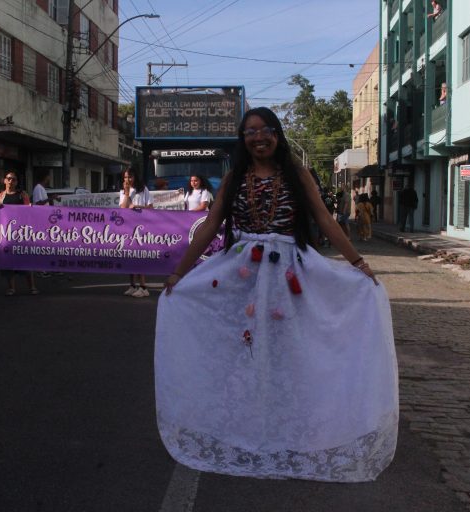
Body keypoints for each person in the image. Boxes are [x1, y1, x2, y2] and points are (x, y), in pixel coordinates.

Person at [156, 107, 398, 482]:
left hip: (289, 275)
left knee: (289, 351)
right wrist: (179, 272)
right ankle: (249, 427)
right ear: (243, 139)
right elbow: (210, 225)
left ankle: (290, 429)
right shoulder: (236, 176)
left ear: (277, 134)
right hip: (241, 274)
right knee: (244, 349)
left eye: (265, 129)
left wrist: (358, 263)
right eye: (250, 132)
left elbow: (323, 218)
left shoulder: (296, 173)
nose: (258, 137)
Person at [0, 171, 38, 296]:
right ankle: (11, 288)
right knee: (8, 262)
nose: (10, 181)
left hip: (21, 234)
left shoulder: (22, 195)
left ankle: (32, 287)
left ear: (16, 182)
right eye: (8, 178)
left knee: (25, 261)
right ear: (4, 181)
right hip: (6, 234)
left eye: (13, 179)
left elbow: (28, 213)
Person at [120, 166, 153, 297]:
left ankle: (143, 287)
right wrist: (127, 194)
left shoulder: (143, 189)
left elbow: (151, 208)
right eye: (125, 177)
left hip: (141, 227)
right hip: (128, 227)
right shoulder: (124, 191)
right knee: (130, 256)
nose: (128, 180)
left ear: (135, 177)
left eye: (130, 177)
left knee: (139, 256)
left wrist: (138, 207)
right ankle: (132, 285)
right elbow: (122, 208)